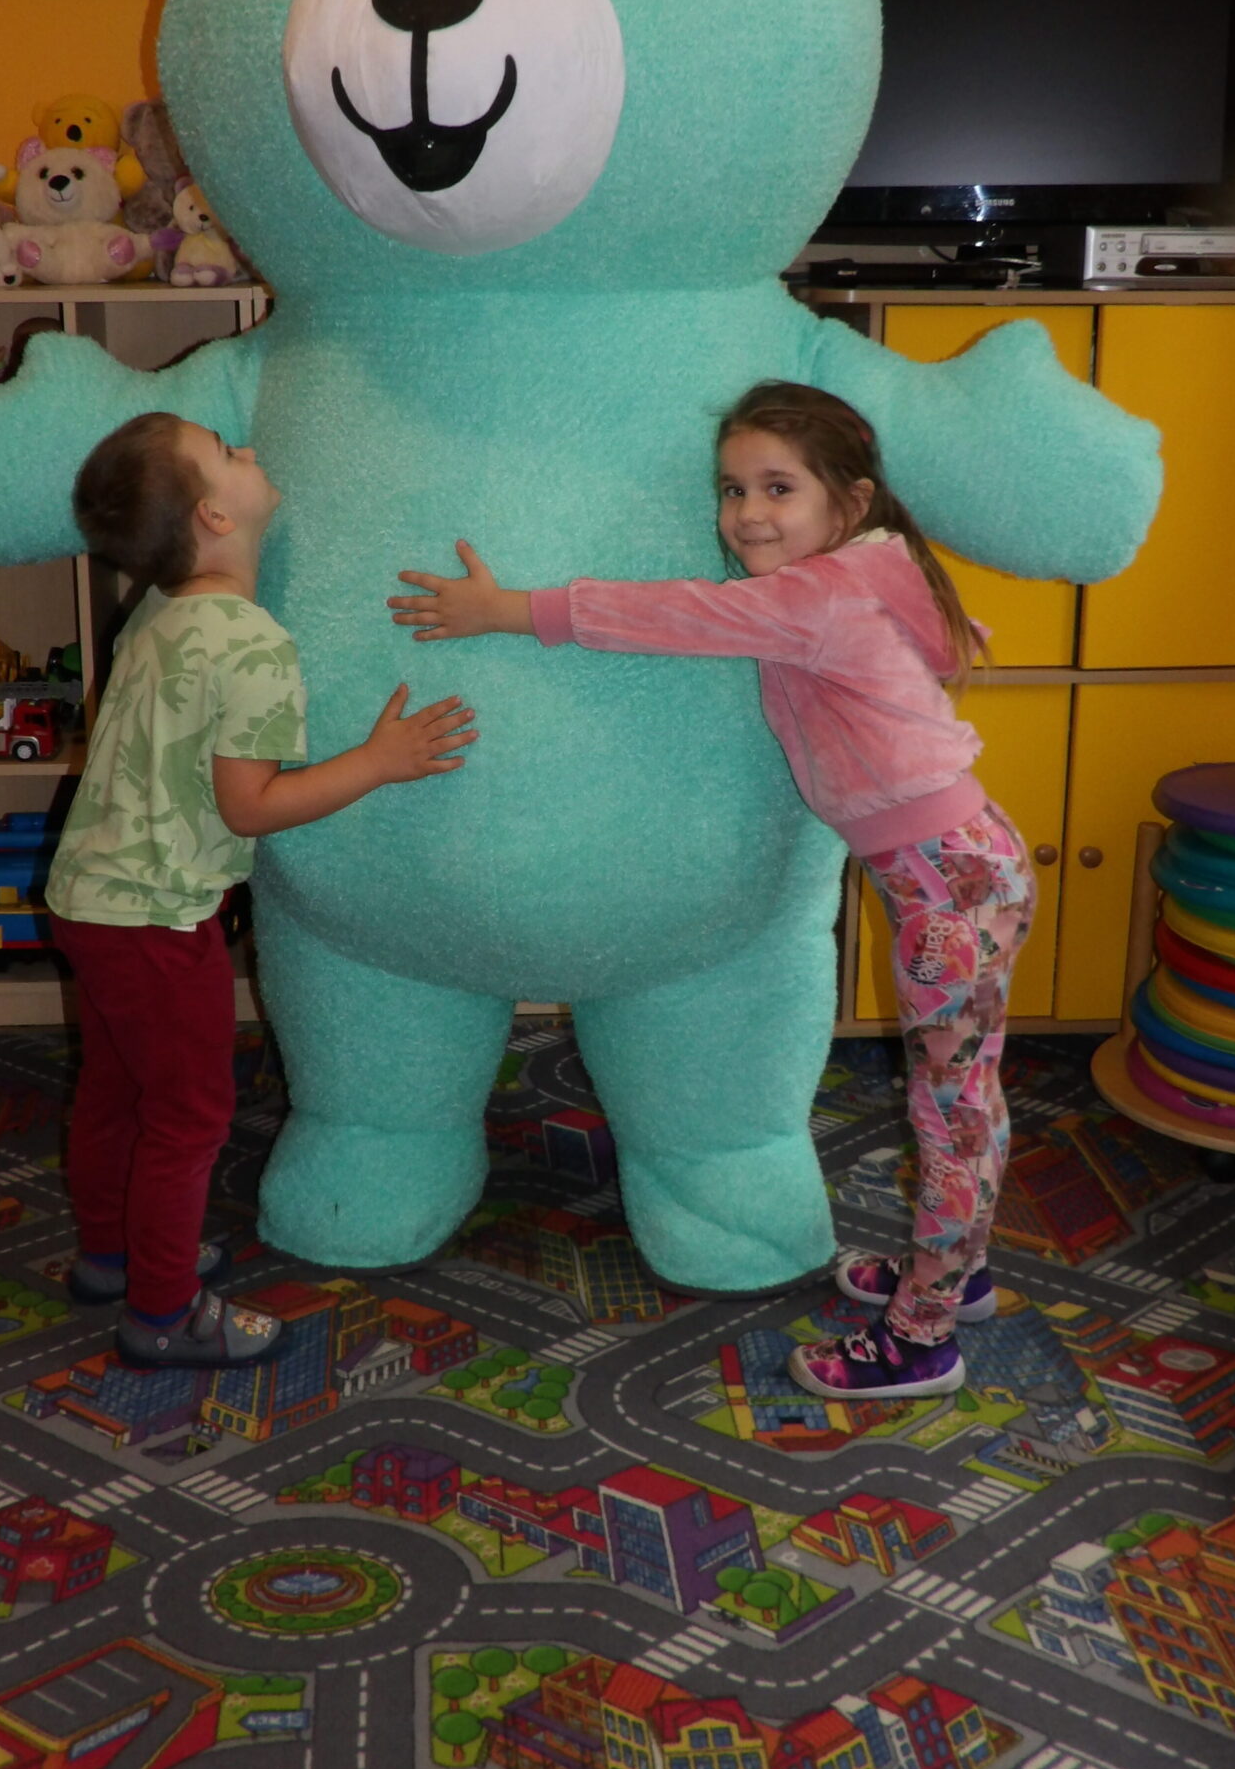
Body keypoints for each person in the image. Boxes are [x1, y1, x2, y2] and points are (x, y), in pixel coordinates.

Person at [389, 379, 1032, 1401]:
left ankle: (924, 1336)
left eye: (779, 488)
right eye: (733, 489)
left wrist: (508, 610)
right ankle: (957, 1271)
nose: (748, 514)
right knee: (965, 1093)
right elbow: (946, 638)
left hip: (946, 877)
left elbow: (674, 614)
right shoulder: (868, 567)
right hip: (960, 861)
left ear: (850, 502)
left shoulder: (817, 594)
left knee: (951, 1108)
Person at [49, 410, 477, 1370]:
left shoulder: (156, 611)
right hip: (159, 915)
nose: (248, 451)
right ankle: (164, 1312)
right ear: (213, 515)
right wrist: (378, 761)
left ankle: (112, 1256)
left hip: (88, 896)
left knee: (116, 1090)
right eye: (224, 452)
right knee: (189, 1116)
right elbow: (250, 806)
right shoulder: (250, 641)